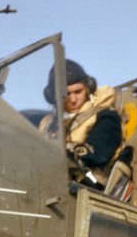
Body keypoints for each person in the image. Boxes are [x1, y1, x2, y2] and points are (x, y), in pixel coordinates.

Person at [40, 60, 125, 191]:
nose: (73, 100)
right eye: (66, 94)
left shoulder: (105, 116)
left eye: (78, 91)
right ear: (53, 96)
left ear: (87, 88)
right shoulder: (47, 124)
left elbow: (97, 154)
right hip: (49, 184)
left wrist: (65, 154)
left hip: (90, 188)